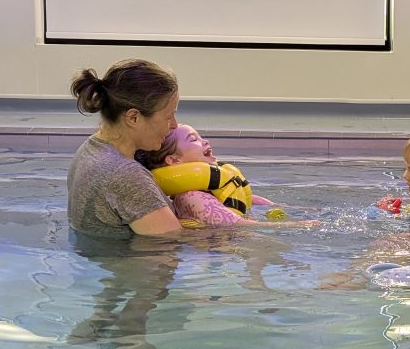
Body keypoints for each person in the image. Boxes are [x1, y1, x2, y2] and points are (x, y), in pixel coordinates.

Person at [68, 59, 182, 238]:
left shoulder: (88, 150)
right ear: (133, 118)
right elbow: (170, 244)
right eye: (168, 116)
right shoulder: (126, 175)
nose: (174, 125)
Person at [136, 123, 317, 229]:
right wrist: (294, 225)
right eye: (194, 139)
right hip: (213, 254)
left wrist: (291, 209)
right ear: (174, 160)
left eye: (201, 137)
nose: (205, 141)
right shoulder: (190, 196)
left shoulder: (208, 189)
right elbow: (234, 224)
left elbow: (247, 199)